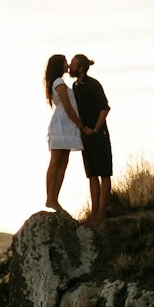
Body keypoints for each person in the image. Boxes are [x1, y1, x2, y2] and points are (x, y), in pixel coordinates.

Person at [69, 54, 112, 225]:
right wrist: (82, 129)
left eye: (72, 64)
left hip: (98, 135)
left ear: (80, 68)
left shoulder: (93, 84)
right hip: (85, 136)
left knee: (104, 173)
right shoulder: (75, 86)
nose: (70, 67)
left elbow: (104, 108)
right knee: (92, 175)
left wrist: (95, 129)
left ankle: (102, 213)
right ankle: (93, 213)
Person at [44, 53, 84, 213]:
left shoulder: (59, 82)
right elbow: (67, 107)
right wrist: (80, 125)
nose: (67, 65)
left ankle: (54, 198)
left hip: (67, 126)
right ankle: (51, 199)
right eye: (65, 62)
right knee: (56, 162)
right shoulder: (59, 82)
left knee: (63, 162)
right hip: (61, 125)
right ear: (59, 65)